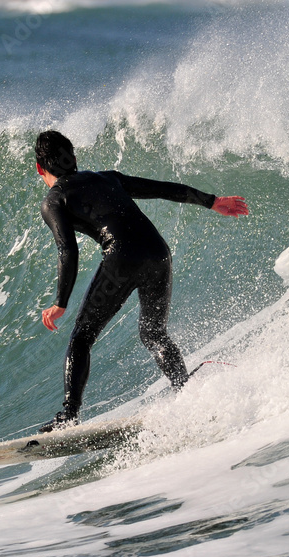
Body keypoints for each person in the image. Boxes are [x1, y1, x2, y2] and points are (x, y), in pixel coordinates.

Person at [34, 130, 248, 432]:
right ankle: (185, 391)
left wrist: (60, 303)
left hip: (122, 257)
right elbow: (162, 189)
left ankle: (69, 415)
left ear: (40, 168)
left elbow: (67, 250)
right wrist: (211, 201)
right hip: (158, 252)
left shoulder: (54, 199)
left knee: (81, 338)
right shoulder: (108, 178)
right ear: (73, 157)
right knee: (154, 334)